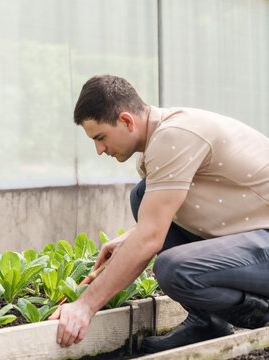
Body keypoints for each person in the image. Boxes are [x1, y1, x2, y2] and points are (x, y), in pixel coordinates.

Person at [49, 74, 269, 352]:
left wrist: (84, 306)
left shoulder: (175, 136)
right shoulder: (158, 142)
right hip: (255, 238)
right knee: (142, 196)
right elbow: (160, 216)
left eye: (101, 137)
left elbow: (151, 239)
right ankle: (208, 322)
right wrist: (132, 236)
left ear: (127, 121)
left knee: (174, 269)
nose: (99, 149)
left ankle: (263, 313)